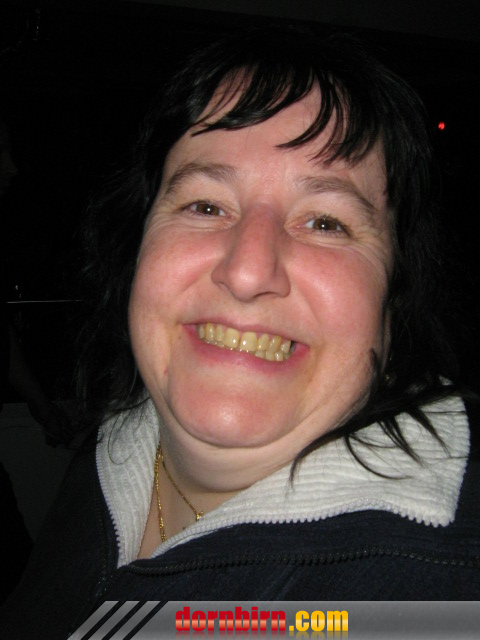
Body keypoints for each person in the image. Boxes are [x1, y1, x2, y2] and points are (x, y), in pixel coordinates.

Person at [1, 25, 479, 638]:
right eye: (205, 206)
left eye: (326, 222)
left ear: (396, 299)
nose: (248, 271)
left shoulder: (445, 594)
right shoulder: (114, 445)